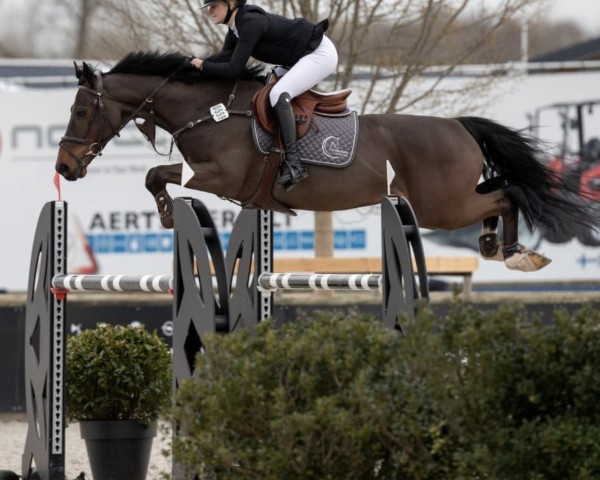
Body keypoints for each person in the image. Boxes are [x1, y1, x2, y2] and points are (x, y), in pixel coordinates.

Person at [191, 0, 338, 190]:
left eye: (214, 5)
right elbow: (224, 58)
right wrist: (191, 66)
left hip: (319, 54)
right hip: (301, 57)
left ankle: (294, 164)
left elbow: (233, 70)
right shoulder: (236, 30)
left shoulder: (250, 24)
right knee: (266, 87)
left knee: (277, 94)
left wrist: (202, 65)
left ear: (232, 3)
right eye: (208, 7)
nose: (209, 11)